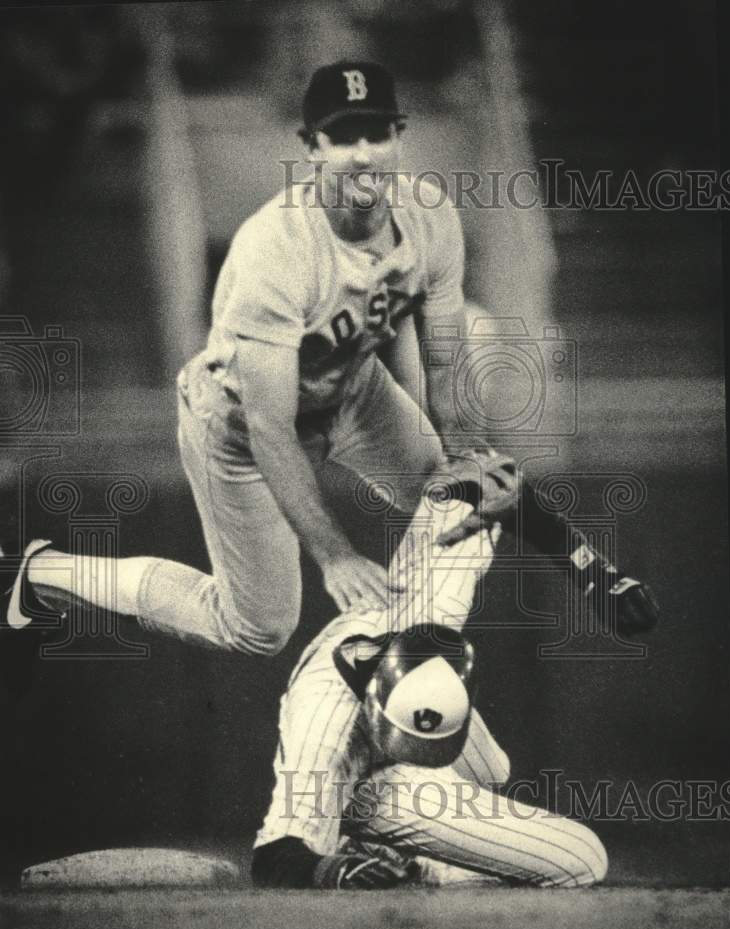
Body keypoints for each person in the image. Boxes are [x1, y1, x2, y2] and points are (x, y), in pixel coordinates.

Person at [1, 61, 657, 673]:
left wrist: (461, 447)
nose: (363, 152)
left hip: (349, 390)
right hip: (236, 425)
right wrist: (335, 554)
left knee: (470, 496)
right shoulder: (275, 251)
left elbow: (443, 343)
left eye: (375, 131)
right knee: (257, 627)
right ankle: (44, 573)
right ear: (311, 145)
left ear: (399, 136)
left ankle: (558, 590)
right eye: (343, 137)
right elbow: (269, 428)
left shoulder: (430, 215)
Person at [251, 476, 608, 889]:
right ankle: (390, 851)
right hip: (369, 787)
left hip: (406, 693)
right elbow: (277, 856)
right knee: (583, 859)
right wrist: (334, 869)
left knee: (493, 769)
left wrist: (595, 571)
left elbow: (489, 481)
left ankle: (417, 846)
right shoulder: (324, 719)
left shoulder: (438, 601)